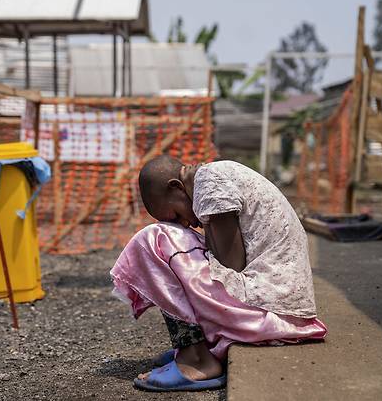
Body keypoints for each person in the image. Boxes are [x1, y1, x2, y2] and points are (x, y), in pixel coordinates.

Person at [110, 155, 327, 392]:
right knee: (173, 244)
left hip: (271, 309)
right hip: (278, 306)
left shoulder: (210, 183)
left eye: (175, 215)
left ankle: (197, 360)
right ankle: (192, 348)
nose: (184, 223)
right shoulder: (213, 177)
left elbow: (230, 264)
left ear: (176, 187)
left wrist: (201, 227)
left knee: (154, 240)